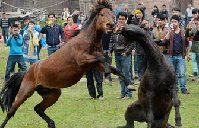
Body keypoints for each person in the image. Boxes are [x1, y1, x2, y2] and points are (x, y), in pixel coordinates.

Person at [162, 15, 189, 94]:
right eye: (172, 22)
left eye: (175, 22)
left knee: (182, 73)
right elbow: (165, 40)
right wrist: (170, 31)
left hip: (180, 56)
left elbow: (187, 43)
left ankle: (183, 89)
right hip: (171, 55)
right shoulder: (171, 32)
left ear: (178, 22)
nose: (173, 23)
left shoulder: (183, 32)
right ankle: (175, 89)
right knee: (173, 74)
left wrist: (187, 54)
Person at [109, 12, 133, 99]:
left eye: (123, 19)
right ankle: (122, 93)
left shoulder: (128, 29)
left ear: (126, 19)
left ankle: (128, 93)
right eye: (120, 19)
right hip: (117, 53)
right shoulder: (115, 28)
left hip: (125, 54)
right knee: (120, 74)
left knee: (126, 74)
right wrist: (110, 51)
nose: (121, 20)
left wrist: (126, 52)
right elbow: (112, 40)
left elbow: (132, 43)